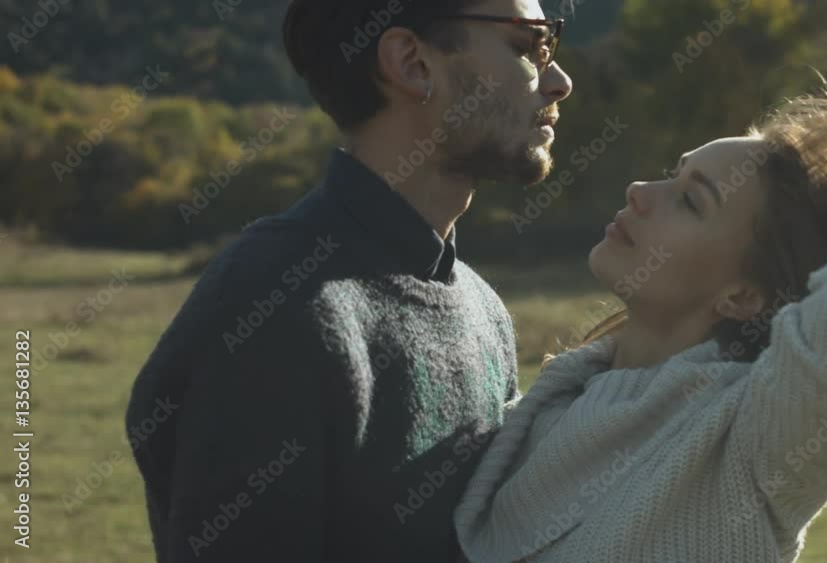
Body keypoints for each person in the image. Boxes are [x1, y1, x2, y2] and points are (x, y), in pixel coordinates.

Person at [455, 95, 827, 562]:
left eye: (691, 201)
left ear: (743, 296)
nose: (640, 189)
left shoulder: (759, 439)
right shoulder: (549, 404)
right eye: (673, 174)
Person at [124, 0, 572, 561]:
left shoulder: (481, 306)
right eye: (528, 46)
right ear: (412, 64)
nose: (560, 81)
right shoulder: (275, 304)